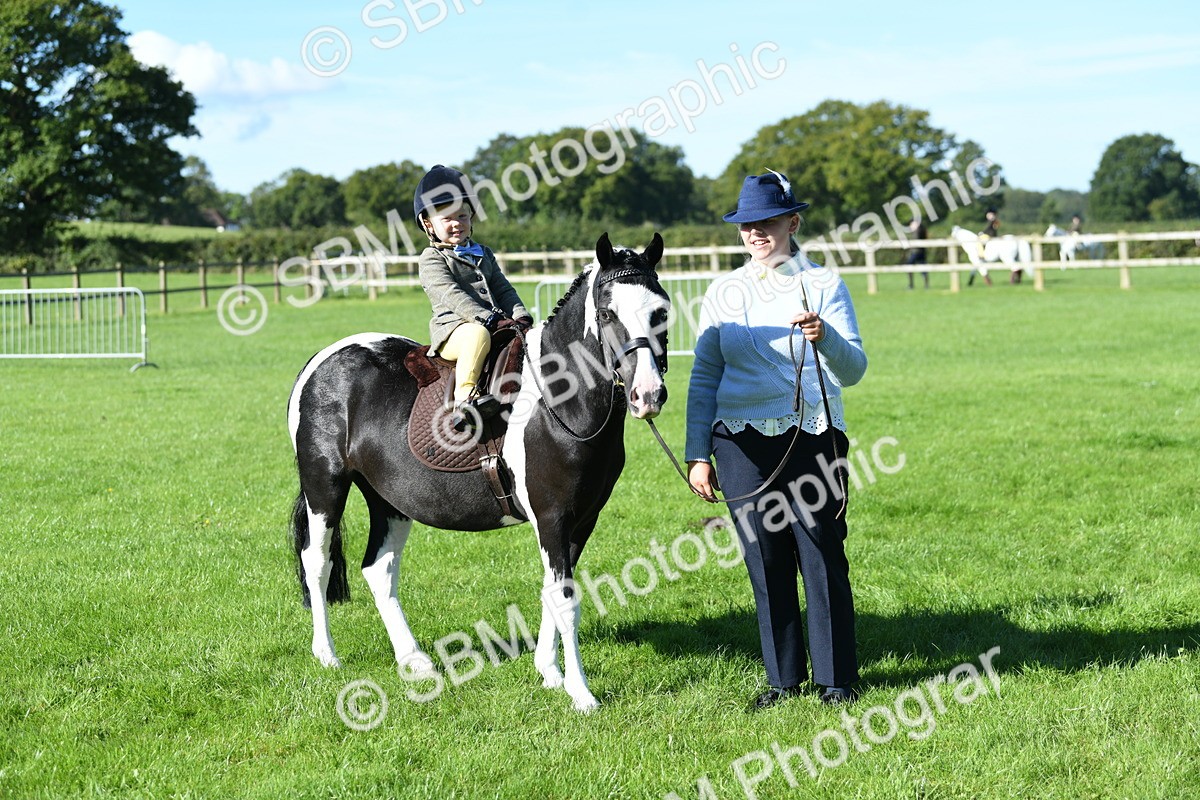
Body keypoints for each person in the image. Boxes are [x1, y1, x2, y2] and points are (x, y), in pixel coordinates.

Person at [685, 170, 867, 710]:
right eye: (746, 225)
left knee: (821, 553)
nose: (755, 233)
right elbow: (704, 378)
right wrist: (699, 452)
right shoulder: (721, 293)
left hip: (813, 437)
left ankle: (837, 679)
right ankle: (783, 681)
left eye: (766, 222)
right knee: (764, 559)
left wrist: (825, 337)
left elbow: (853, 370)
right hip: (738, 443)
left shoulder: (827, 285)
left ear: (792, 221)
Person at [414, 165, 532, 430]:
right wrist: (485, 317)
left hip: (494, 323)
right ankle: (465, 399)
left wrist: (521, 315)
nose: (457, 223)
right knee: (476, 335)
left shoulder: (484, 253)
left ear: (471, 217)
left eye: (462, 216)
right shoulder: (431, 258)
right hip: (455, 331)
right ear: (428, 224)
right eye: (447, 219)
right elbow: (450, 293)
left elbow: (503, 289)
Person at [905, 217, 930, 289]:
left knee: (909, 265)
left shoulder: (918, 230)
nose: (911, 226)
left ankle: (911, 285)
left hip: (916, 252)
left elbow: (916, 239)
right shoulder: (921, 229)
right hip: (921, 251)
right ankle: (926, 285)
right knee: (923, 267)